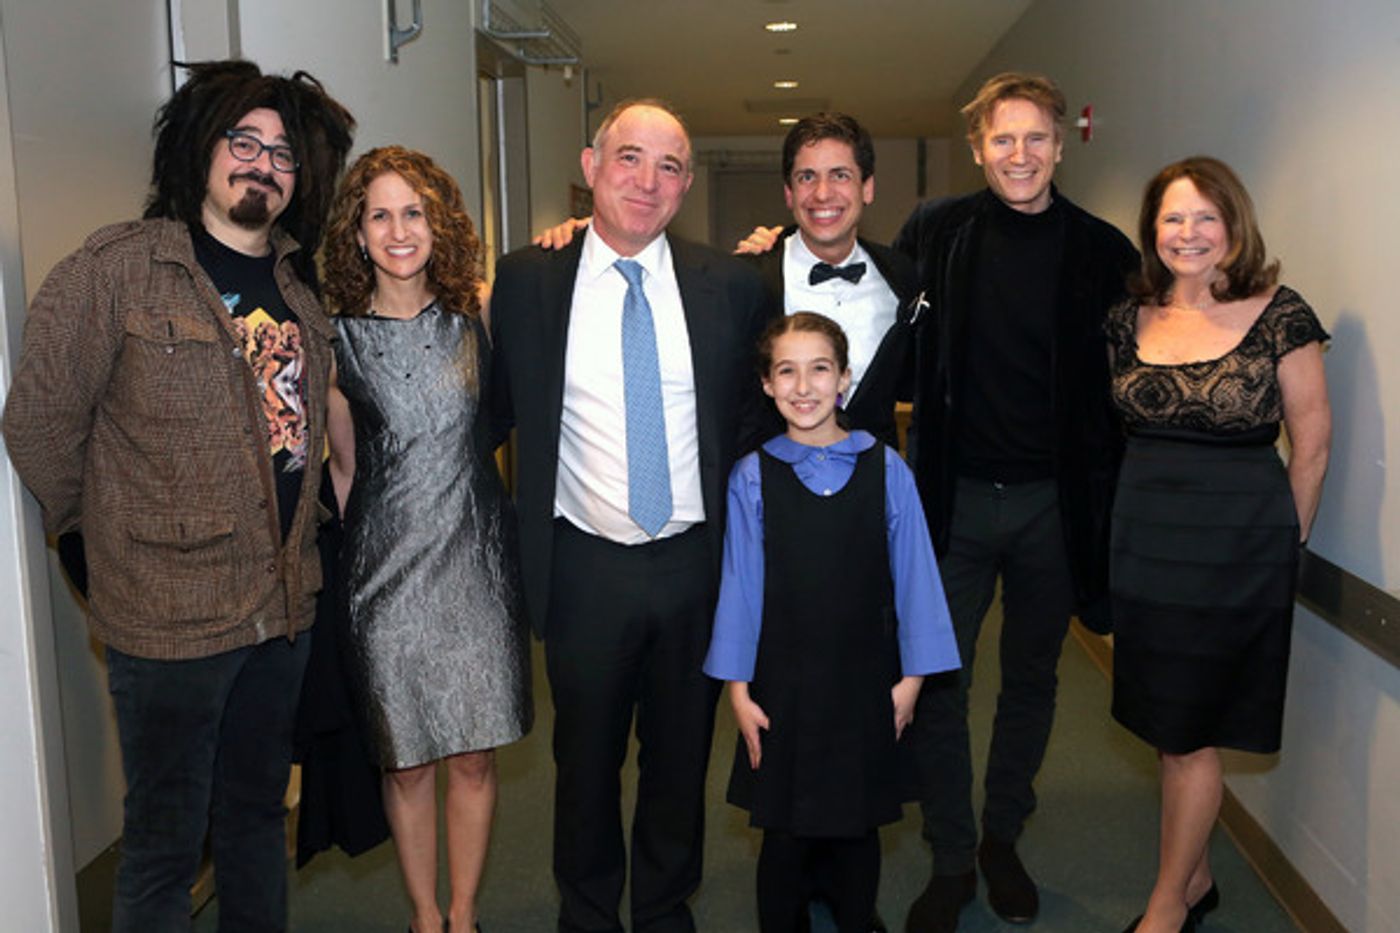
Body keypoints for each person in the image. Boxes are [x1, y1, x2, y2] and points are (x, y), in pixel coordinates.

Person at [735, 73, 1138, 932]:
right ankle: (952, 855)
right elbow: (850, 269)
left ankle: (1002, 836)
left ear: (1061, 145)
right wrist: (774, 241)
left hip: (1054, 506)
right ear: (979, 147)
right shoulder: (936, 235)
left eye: (1036, 137)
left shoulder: (1105, 253)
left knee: (1032, 678)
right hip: (950, 502)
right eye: (1003, 138)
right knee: (934, 684)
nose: (1020, 154)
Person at [1, 60, 354, 931]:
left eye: (283, 152)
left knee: (257, 820)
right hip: (166, 618)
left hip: (281, 613)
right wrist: (90, 540)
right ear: (201, 147)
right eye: (244, 141)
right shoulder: (116, 270)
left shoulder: (300, 285)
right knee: (163, 844)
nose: (262, 164)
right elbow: (39, 421)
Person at [489, 99, 768, 932]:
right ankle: (587, 913)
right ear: (590, 167)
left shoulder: (732, 285)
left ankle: (663, 909)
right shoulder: (529, 279)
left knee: (680, 760)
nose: (648, 180)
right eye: (629, 158)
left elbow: (756, 419)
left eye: (669, 166)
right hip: (584, 564)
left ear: (686, 185)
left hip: (693, 563)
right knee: (584, 763)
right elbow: (492, 407)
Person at [1106, 157, 1329, 933]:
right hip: (1146, 544)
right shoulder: (1128, 316)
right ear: (1152, 230)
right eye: (1173, 217)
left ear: (1235, 225)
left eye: (1206, 216)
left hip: (1238, 550)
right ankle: (1196, 876)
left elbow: (1312, 446)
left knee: (1191, 734)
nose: (1189, 233)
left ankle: (1168, 906)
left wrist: (1283, 546)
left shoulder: (1282, 314)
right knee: (1169, 725)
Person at [322, 146, 532, 933]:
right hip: (383, 578)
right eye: (379, 215)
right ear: (358, 233)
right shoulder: (336, 339)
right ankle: (423, 917)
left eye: (413, 212)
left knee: (473, 753)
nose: (399, 230)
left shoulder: (480, 313)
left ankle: (464, 916)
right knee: (406, 759)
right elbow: (345, 470)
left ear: (439, 223)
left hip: (477, 567)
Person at [704, 312, 960, 933]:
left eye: (819, 369)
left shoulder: (887, 469)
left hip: (866, 683)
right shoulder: (751, 476)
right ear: (767, 384)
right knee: (783, 835)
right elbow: (740, 587)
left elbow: (917, 579)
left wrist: (912, 682)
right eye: (786, 371)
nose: (803, 386)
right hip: (781, 687)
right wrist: (737, 691)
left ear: (844, 378)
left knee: (857, 829)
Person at [535, 112, 917, 448]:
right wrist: (591, 234)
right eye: (806, 177)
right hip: (764, 491)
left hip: (876, 489)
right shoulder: (742, 279)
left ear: (867, 187)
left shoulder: (903, 277)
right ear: (788, 193)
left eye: (840, 175)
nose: (822, 193)